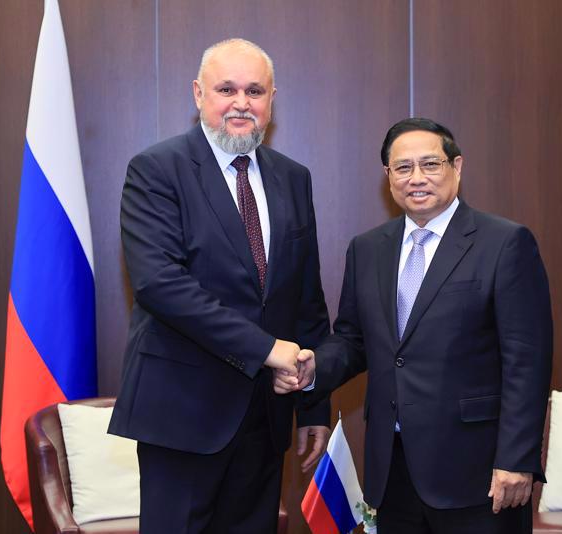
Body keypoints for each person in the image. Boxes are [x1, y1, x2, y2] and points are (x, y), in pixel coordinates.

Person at [278, 118, 553, 533]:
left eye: (431, 164)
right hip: (393, 471)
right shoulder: (368, 249)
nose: (417, 178)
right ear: (388, 177)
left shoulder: (504, 243)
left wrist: (516, 459)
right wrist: (313, 367)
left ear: (456, 167)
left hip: (478, 472)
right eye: (403, 168)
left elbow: (527, 362)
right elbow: (353, 340)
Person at [108, 38, 331, 534]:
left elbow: (305, 297)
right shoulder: (157, 169)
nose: (240, 103)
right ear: (198, 94)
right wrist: (267, 349)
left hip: (266, 416)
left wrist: (313, 401)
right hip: (183, 412)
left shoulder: (293, 178)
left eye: (255, 91)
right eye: (225, 89)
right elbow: (160, 284)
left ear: (272, 100)